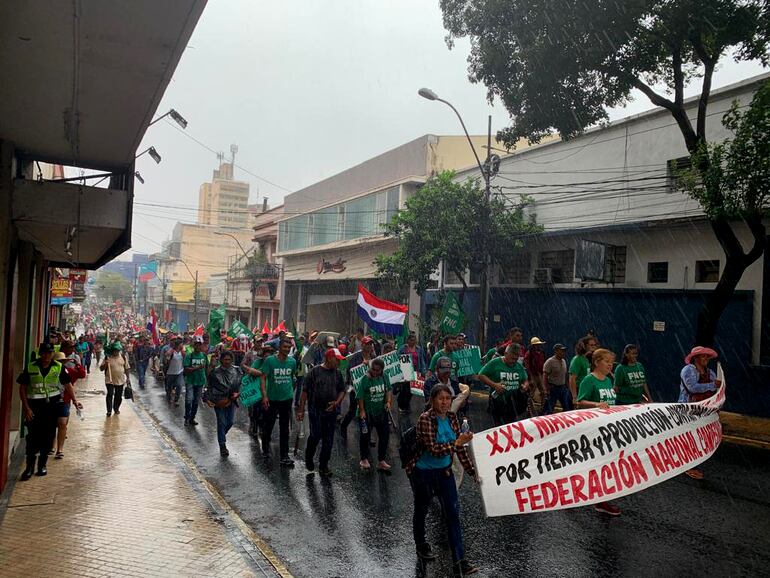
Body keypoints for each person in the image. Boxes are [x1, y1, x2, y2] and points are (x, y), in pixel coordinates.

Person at [405, 384, 478, 576]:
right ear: (432, 400)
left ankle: (459, 561)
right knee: (422, 509)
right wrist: (457, 442)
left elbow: (460, 450)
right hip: (423, 473)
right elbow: (434, 450)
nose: (445, 402)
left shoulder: (452, 417)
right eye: (441, 398)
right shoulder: (425, 419)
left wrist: (473, 472)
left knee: (453, 514)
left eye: (448, 398)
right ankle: (421, 544)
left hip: (445, 473)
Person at [17, 343, 72, 479]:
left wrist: (75, 401)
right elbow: (22, 388)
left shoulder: (58, 367)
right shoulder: (31, 367)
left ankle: (42, 466)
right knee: (32, 438)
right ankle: (29, 468)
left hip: (51, 408)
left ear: (52, 354)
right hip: (34, 408)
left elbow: (68, 384)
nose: (47, 355)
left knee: (47, 438)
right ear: (40, 354)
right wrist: (26, 408)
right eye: (44, 353)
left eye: (49, 353)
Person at [576, 348, 621, 516]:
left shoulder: (608, 380)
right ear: (596, 362)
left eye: (612, 362)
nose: (610, 365)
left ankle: (600, 498)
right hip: (594, 430)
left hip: (608, 429)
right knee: (597, 464)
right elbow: (580, 401)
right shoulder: (589, 380)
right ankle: (600, 500)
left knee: (605, 464)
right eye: (607, 361)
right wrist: (596, 405)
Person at [297, 347, 346, 476]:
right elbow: (304, 392)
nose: (338, 362)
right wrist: (301, 410)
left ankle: (324, 465)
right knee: (315, 435)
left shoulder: (338, 373)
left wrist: (337, 402)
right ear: (329, 358)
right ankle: (309, 456)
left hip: (331, 412)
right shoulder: (314, 372)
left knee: (328, 439)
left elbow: (342, 390)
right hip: (315, 410)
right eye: (337, 359)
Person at [679, 345, 720, 480]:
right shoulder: (688, 370)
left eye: (707, 356)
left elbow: (715, 390)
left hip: (702, 410)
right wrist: (713, 385)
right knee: (690, 437)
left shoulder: (710, 372)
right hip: (688, 409)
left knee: (699, 438)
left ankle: (690, 463)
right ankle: (688, 466)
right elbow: (693, 388)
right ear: (696, 358)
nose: (706, 359)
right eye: (703, 356)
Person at [260, 337, 298, 467]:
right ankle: (265, 449)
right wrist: (264, 396)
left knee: (285, 428)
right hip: (272, 399)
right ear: (279, 348)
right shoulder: (270, 361)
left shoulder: (292, 362)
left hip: (286, 399)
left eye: (288, 347)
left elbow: (293, 378)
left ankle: (284, 456)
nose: (286, 349)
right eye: (284, 347)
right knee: (268, 426)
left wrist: (290, 391)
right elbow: (263, 378)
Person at [478, 343, 529, 425]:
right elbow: (481, 375)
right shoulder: (495, 363)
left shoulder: (519, 366)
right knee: (498, 426)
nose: (513, 361)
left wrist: (525, 385)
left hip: (513, 402)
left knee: (511, 424)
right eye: (512, 358)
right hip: (498, 401)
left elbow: (525, 379)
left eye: (516, 359)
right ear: (505, 354)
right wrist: (495, 385)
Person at [356, 358, 393, 471]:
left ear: (382, 370)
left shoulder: (384, 376)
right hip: (367, 413)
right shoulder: (365, 379)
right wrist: (362, 410)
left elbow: (389, 389)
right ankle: (364, 459)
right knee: (365, 436)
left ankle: (381, 461)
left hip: (381, 412)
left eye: (378, 370)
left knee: (384, 436)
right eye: (373, 369)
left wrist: (388, 402)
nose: (375, 372)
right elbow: (360, 396)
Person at [205, 351, 241, 457]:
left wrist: (238, 393)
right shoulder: (215, 372)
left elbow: (241, 383)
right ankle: (222, 446)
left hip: (232, 400)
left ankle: (221, 436)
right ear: (221, 360)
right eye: (225, 359)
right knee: (221, 422)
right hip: (219, 400)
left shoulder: (237, 370)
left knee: (230, 422)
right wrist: (207, 399)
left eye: (229, 359)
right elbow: (208, 386)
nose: (227, 362)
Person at [54, 343, 85, 459]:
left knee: (62, 423)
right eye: (58, 361)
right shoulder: (48, 371)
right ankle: (52, 445)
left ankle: (59, 449)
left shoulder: (68, 371)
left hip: (64, 400)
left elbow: (81, 375)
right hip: (50, 401)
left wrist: (77, 364)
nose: (60, 364)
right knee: (52, 425)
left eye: (62, 362)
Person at [340, 336, 376, 436]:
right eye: (367, 344)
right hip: (356, 389)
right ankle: (344, 426)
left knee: (367, 410)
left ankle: (366, 434)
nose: (369, 346)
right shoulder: (356, 357)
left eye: (370, 344)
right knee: (352, 410)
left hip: (369, 388)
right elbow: (351, 371)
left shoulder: (373, 356)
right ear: (362, 345)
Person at [396, 332, 427, 414]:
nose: (412, 342)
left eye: (414, 340)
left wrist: (423, 371)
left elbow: (422, 360)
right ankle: (401, 405)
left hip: (415, 371)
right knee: (405, 389)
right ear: (408, 340)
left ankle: (407, 404)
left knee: (412, 389)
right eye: (411, 340)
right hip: (405, 371)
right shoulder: (403, 348)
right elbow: (397, 357)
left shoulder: (419, 349)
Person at [183, 338, 209, 426]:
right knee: (189, 399)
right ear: (193, 346)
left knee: (196, 401)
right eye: (196, 345)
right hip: (190, 381)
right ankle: (187, 418)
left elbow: (207, 369)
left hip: (200, 381)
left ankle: (192, 418)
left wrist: (207, 381)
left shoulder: (204, 355)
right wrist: (197, 368)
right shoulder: (189, 356)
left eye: (200, 345)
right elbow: (186, 369)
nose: (198, 346)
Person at [542, 343, 572, 414]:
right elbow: (545, 376)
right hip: (553, 388)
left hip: (563, 388)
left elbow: (565, 374)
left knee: (566, 406)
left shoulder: (563, 361)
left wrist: (568, 386)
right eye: (561, 350)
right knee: (549, 408)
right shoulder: (550, 362)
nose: (563, 352)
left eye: (564, 351)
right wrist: (546, 389)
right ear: (556, 351)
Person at [101, 343, 129, 416]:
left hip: (120, 380)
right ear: (112, 351)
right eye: (114, 351)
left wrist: (128, 378)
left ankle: (116, 408)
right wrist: (106, 363)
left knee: (118, 396)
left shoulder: (123, 357)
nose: (116, 352)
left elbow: (126, 368)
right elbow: (101, 368)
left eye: (117, 351)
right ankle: (109, 410)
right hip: (109, 380)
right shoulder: (107, 357)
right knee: (110, 394)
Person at [569, 334, 598, 402]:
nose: (594, 347)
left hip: (587, 390)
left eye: (595, 345)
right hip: (578, 390)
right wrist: (574, 397)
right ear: (584, 346)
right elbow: (572, 379)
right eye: (591, 345)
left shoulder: (589, 359)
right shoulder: (577, 359)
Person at [524, 336, 546, 413]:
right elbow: (527, 365)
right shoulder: (529, 354)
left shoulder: (541, 353)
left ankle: (542, 408)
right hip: (533, 375)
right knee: (531, 393)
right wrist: (530, 376)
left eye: (539, 345)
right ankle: (528, 409)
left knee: (543, 392)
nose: (538, 346)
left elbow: (542, 363)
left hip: (540, 374)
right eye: (537, 345)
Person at [164, 339, 185, 406]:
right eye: (181, 344)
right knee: (169, 387)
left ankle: (176, 400)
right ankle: (169, 397)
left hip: (179, 372)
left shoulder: (182, 352)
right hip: (170, 373)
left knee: (179, 385)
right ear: (178, 345)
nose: (182, 345)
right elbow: (166, 356)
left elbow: (185, 358)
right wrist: (170, 352)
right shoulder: (172, 351)